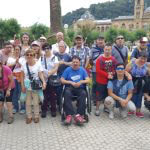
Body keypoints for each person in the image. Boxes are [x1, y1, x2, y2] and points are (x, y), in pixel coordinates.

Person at [60, 56, 90, 125]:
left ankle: (79, 115)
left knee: (83, 94)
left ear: (79, 63)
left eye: (77, 62)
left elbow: (88, 79)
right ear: (71, 63)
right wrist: (70, 82)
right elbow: (62, 80)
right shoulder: (67, 69)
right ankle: (69, 115)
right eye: (73, 62)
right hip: (70, 87)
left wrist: (81, 82)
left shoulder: (82, 70)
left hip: (80, 87)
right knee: (66, 93)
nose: (75, 63)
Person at [21, 49, 46, 124]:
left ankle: (36, 116)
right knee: (27, 102)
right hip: (27, 85)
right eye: (27, 55)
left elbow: (40, 74)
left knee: (36, 102)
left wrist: (44, 82)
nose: (29, 56)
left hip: (36, 85)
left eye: (31, 55)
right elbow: (22, 76)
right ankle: (29, 116)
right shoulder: (23, 64)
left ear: (34, 55)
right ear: (25, 56)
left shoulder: (38, 64)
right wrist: (22, 85)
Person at [95, 43, 117, 116]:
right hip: (101, 81)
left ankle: (106, 107)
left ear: (111, 50)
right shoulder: (100, 59)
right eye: (106, 49)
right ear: (104, 49)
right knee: (99, 96)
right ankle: (97, 109)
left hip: (110, 81)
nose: (107, 51)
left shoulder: (113, 59)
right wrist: (107, 75)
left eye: (109, 50)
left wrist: (113, 73)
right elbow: (98, 70)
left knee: (108, 95)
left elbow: (115, 68)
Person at [126, 51, 148, 117]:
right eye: (141, 58)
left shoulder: (147, 64)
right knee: (131, 95)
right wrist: (128, 76)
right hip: (132, 80)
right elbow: (125, 71)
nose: (143, 60)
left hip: (141, 82)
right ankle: (131, 110)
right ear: (138, 57)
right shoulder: (133, 62)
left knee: (140, 96)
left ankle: (138, 111)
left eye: (145, 59)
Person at [41, 43, 59, 118]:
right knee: (44, 95)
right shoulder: (41, 58)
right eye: (45, 48)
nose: (46, 50)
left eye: (48, 48)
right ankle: (44, 110)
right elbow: (39, 69)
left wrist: (49, 73)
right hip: (44, 79)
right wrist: (44, 76)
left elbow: (56, 68)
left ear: (50, 49)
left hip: (52, 79)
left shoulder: (55, 57)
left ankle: (53, 110)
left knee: (52, 95)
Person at [7, 45, 25, 114]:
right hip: (13, 78)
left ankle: (23, 108)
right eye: (16, 49)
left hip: (21, 77)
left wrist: (19, 62)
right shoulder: (10, 58)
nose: (17, 51)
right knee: (14, 93)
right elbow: (8, 66)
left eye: (18, 49)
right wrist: (15, 62)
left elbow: (24, 66)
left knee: (21, 92)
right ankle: (15, 107)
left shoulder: (23, 58)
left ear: (20, 51)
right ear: (14, 50)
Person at [55, 41, 72, 109]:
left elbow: (72, 63)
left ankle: (64, 103)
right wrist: (59, 63)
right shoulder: (55, 54)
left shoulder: (67, 55)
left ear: (65, 48)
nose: (61, 48)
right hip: (56, 74)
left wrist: (64, 63)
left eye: (62, 46)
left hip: (65, 75)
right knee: (57, 89)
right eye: (59, 46)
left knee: (64, 89)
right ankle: (59, 103)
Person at [89, 36, 105, 103]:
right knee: (95, 83)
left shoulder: (106, 48)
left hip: (104, 70)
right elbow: (90, 59)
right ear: (96, 41)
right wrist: (93, 66)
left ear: (104, 41)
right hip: (95, 70)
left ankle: (102, 98)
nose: (100, 41)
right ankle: (94, 98)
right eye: (99, 40)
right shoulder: (93, 49)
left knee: (103, 84)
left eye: (102, 40)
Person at [0, 54, 15, 124]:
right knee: (0, 103)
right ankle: (0, 115)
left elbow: (11, 80)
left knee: (8, 102)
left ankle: (11, 116)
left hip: (9, 86)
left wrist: (8, 90)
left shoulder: (6, 69)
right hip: (0, 88)